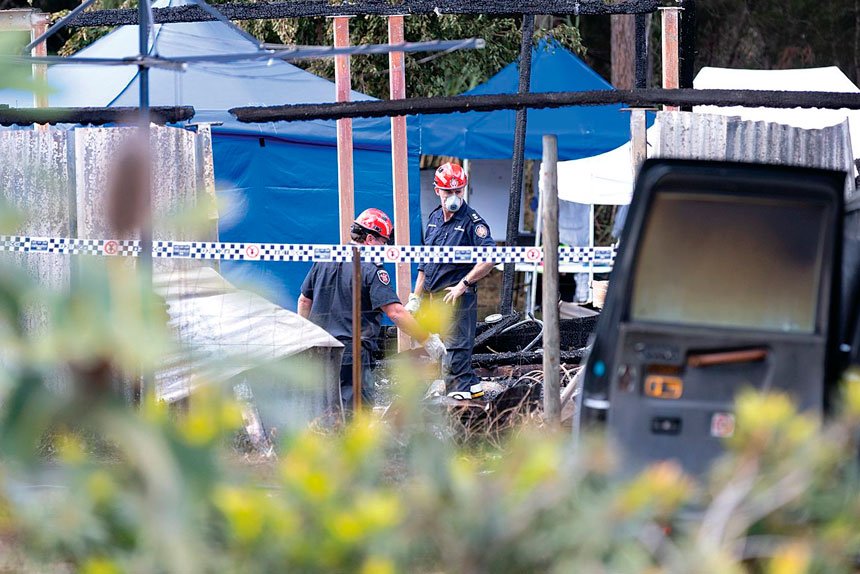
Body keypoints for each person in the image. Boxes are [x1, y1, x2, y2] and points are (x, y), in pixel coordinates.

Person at [298, 208, 447, 411]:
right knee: (357, 412)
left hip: (320, 348)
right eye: (383, 242)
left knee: (323, 409)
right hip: (352, 352)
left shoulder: (325, 259)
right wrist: (427, 339)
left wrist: (305, 336)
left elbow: (304, 301)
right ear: (369, 239)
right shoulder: (370, 269)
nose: (385, 247)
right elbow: (395, 312)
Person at [406, 162, 495, 400]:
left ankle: (461, 403)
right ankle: (471, 386)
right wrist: (416, 297)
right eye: (448, 192)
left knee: (455, 354)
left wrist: (463, 285)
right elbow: (425, 262)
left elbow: (490, 259)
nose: (454, 197)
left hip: (457, 298)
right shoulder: (434, 217)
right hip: (433, 298)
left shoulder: (473, 222)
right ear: (437, 190)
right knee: (433, 352)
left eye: (458, 191)